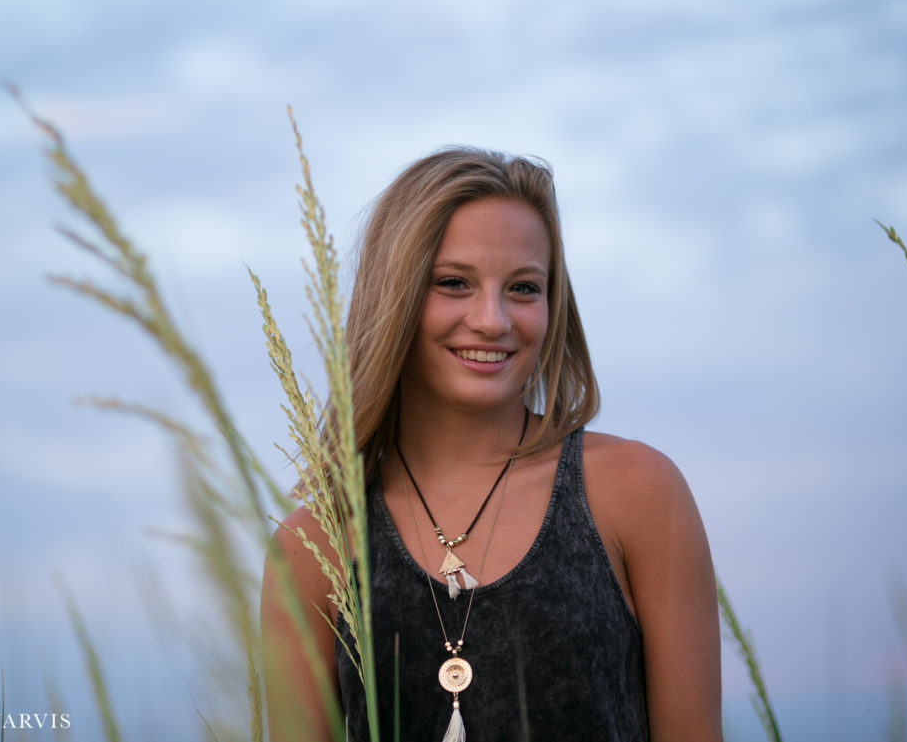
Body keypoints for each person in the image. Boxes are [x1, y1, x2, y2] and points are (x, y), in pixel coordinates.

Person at [262, 148, 721, 742]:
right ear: (393, 296)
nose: (493, 319)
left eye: (524, 288)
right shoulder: (314, 545)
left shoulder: (637, 491)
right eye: (454, 283)